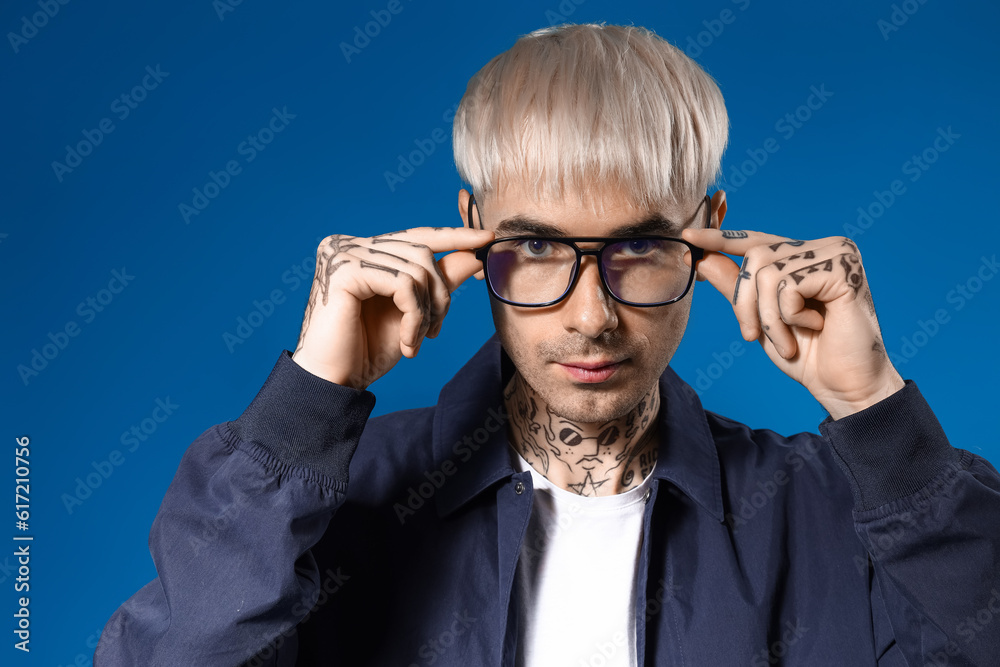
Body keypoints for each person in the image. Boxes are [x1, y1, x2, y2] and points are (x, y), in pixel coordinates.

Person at [96, 23, 999, 667]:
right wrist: (310, 396)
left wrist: (875, 408)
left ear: (714, 230)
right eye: (534, 248)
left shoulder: (833, 508)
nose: (592, 315)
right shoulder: (336, 505)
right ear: (470, 231)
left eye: (641, 247)